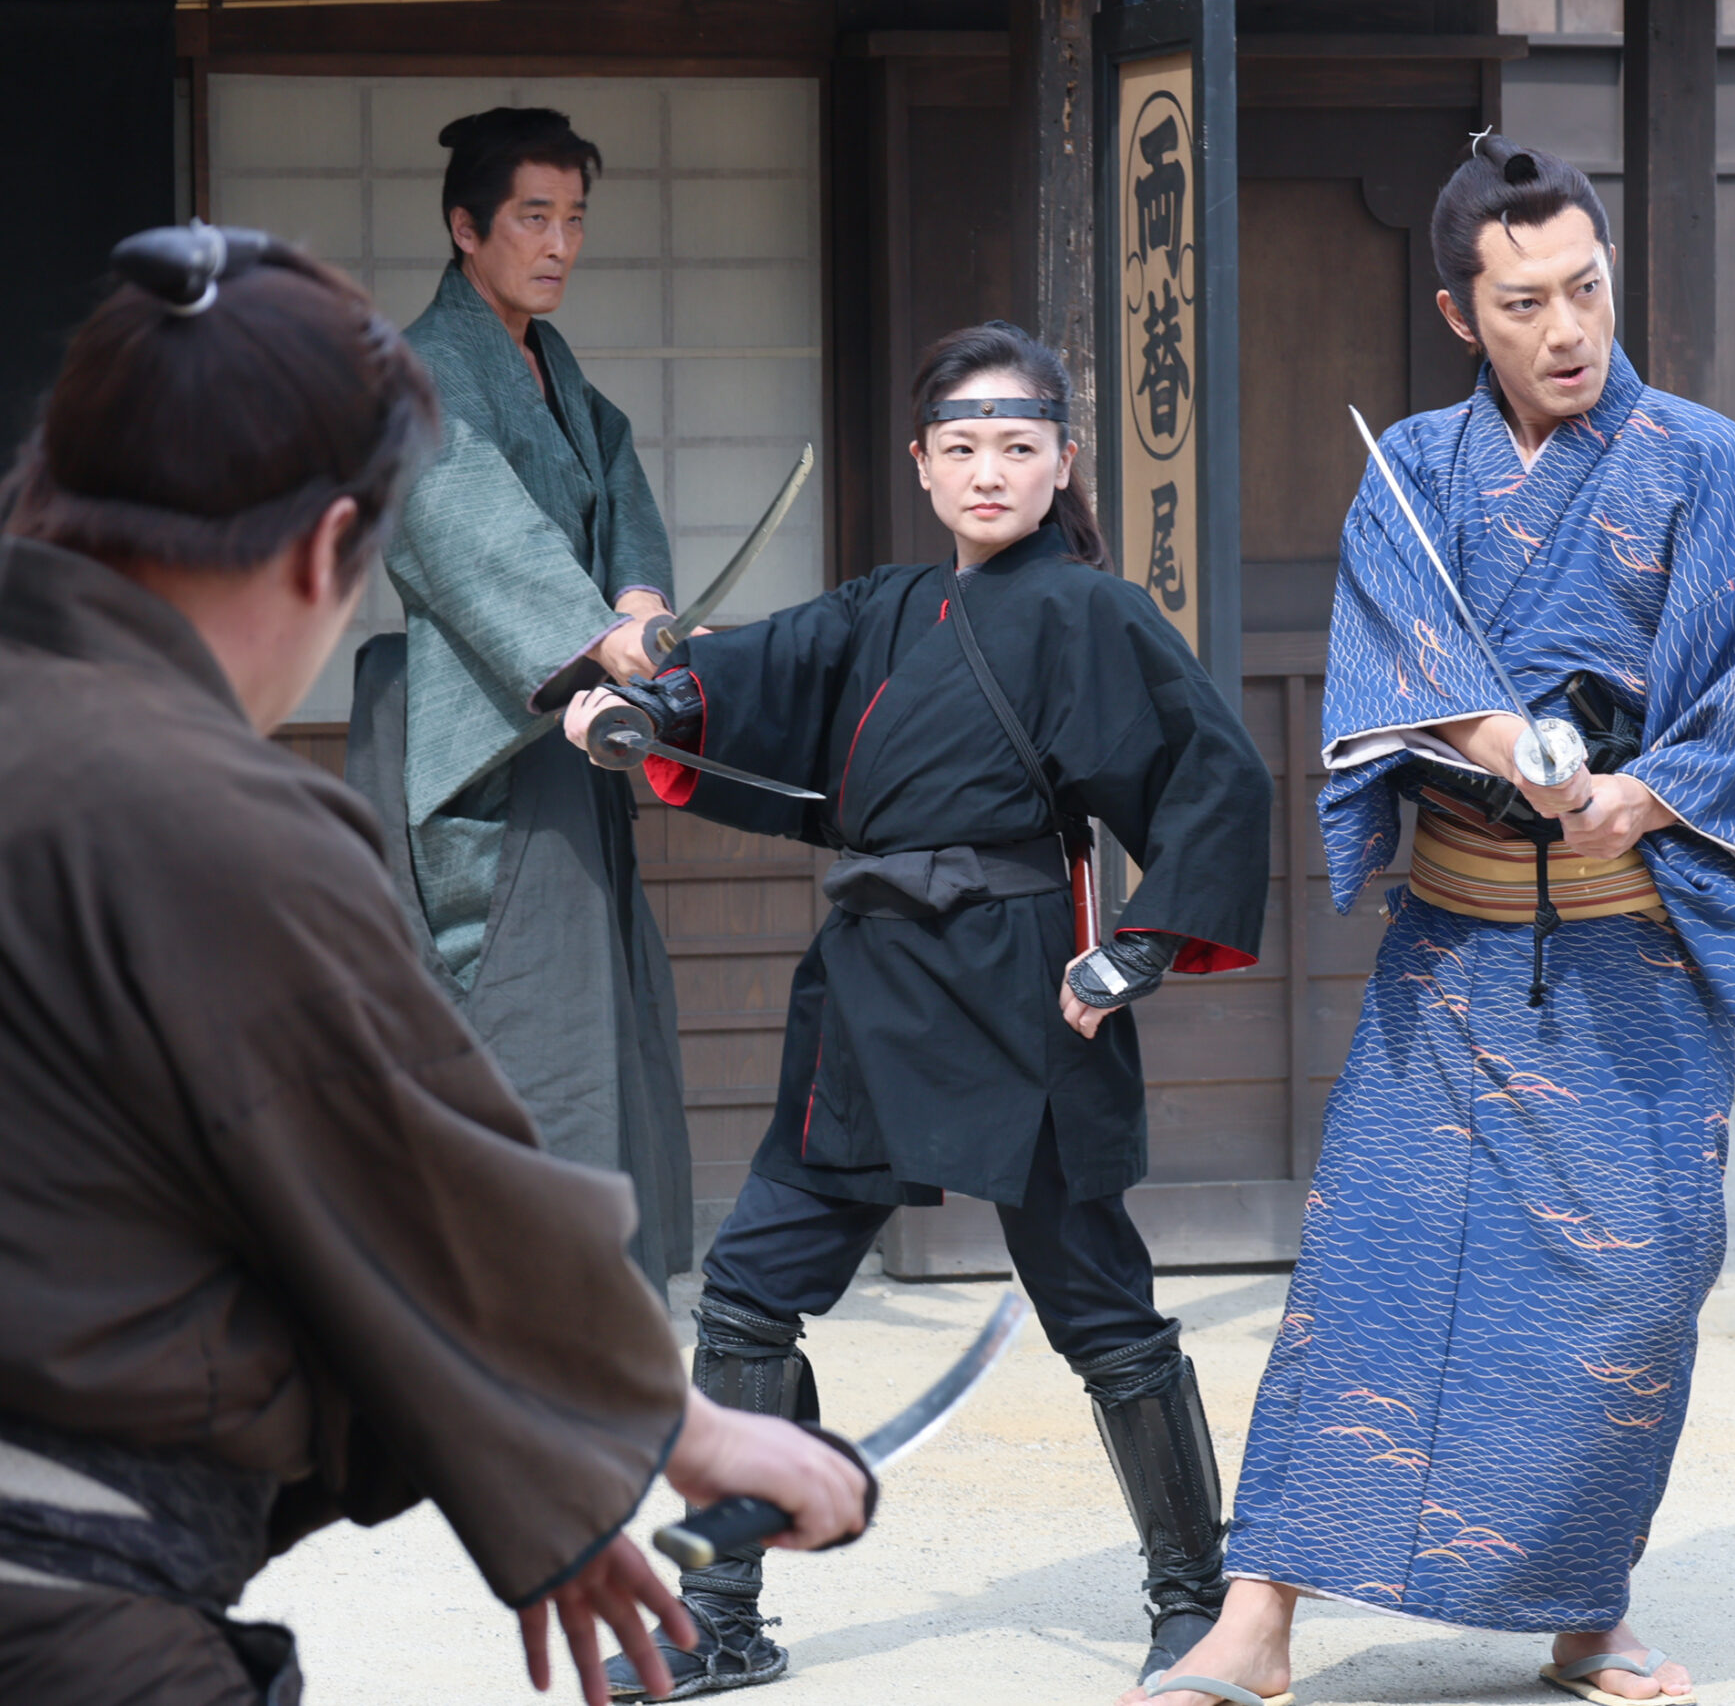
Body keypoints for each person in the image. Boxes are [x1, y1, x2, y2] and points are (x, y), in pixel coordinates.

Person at [0, 223, 872, 1706]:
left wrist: (541, 1488)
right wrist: (674, 1426)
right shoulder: (200, 811)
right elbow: (422, 1192)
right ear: (331, 547)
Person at [1139, 137, 1735, 1706]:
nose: (1568, 328)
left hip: (1633, 950)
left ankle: (1586, 1607)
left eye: (1587, 288)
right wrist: (1504, 744)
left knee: (1633, 1287)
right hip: (1455, 951)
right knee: (1370, 1268)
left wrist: (1644, 796)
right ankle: (1258, 1615)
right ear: (1463, 312)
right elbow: (1398, 666)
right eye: (1525, 303)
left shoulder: (1714, 467)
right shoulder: (1415, 468)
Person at [561, 320, 1273, 1696]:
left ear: (1061, 461)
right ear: (923, 464)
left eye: (1016, 445)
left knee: (1103, 1312)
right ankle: (721, 1616)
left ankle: (1195, 1602)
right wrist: (646, 705)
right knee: (749, 1292)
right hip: (872, 991)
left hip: (1024, 993)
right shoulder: (884, 608)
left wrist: (1132, 952)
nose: (988, 470)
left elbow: (1215, 772)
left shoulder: (1094, 612)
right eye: (962, 447)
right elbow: (754, 673)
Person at [342, 106, 692, 1290]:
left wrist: (637, 600)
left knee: (589, 1012)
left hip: (569, 723)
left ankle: (584, 1288)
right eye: (533, 217)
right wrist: (598, 637)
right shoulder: (419, 376)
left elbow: (619, 482)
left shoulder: (553, 369)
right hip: (478, 732)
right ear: (467, 228)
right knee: (504, 1005)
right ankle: (490, 1296)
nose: (558, 244)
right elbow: (469, 524)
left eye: (574, 220)